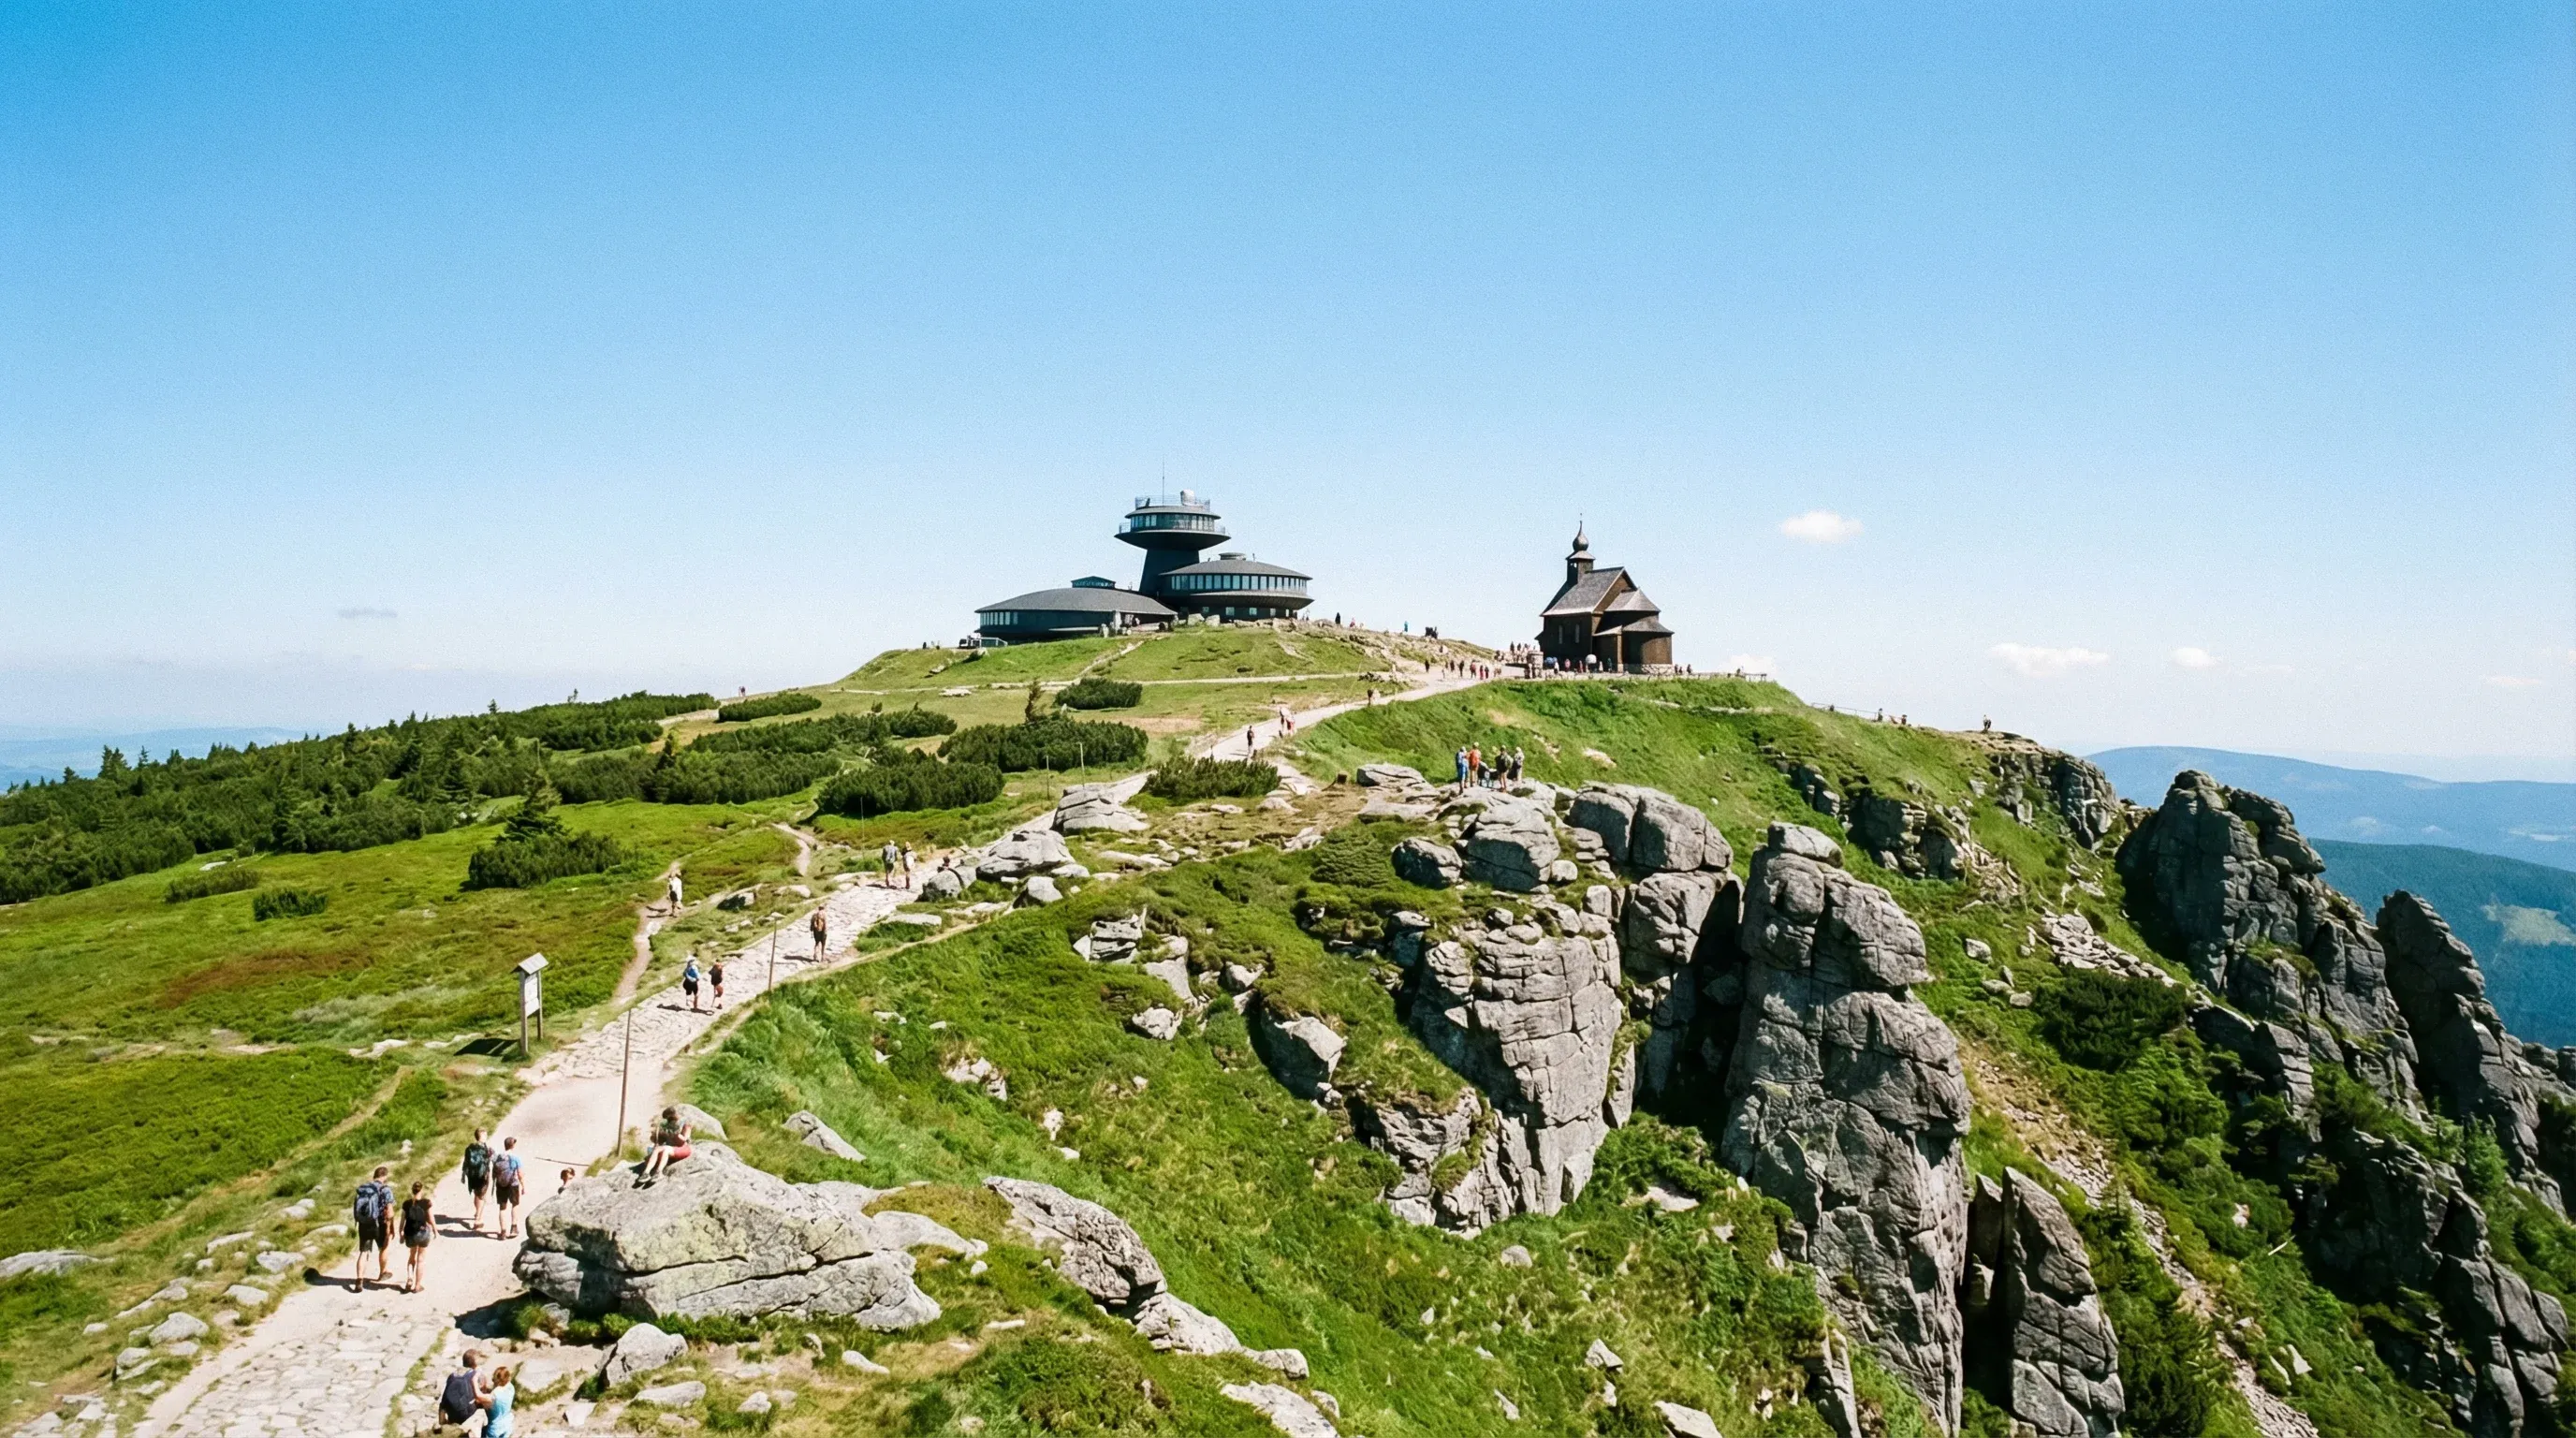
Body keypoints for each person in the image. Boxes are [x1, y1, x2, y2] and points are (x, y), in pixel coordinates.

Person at [349, 1166, 395, 1291]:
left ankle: (359, 1279)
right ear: (385, 1176)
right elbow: (390, 1212)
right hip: (379, 1224)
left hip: (364, 1224)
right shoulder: (385, 1189)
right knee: (383, 1248)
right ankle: (383, 1272)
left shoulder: (363, 1189)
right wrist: (390, 1226)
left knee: (364, 1252)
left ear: (374, 1176)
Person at [640, 1107, 693, 1183]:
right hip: (670, 1148)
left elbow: (685, 1140)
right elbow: (659, 1142)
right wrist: (660, 1135)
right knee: (657, 1149)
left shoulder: (685, 1123)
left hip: (682, 1148)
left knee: (666, 1149)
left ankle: (659, 1172)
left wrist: (676, 1134)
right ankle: (646, 1173)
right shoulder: (667, 1125)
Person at [437, 1351, 487, 1430]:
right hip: (468, 1415)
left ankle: (443, 1424)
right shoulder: (478, 1375)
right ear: (475, 1363)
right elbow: (481, 1398)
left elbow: (444, 1400)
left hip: (452, 1415)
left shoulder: (453, 1375)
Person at [401, 1181, 433, 1292]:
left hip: (410, 1233)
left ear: (412, 1190)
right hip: (423, 1234)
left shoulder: (406, 1204)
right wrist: (436, 1231)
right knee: (421, 1259)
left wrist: (401, 1233)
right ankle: (417, 1286)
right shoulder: (426, 1203)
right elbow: (431, 1219)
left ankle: (410, 1278)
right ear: (422, 1190)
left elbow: (402, 1221)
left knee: (412, 1256)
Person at [461, 1129, 493, 1234]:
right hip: (482, 1176)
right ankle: (478, 1220)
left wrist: (463, 1175)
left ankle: (476, 1213)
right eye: (486, 1134)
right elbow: (489, 1161)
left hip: (472, 1176)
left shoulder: (470, 1148)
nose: (487, 1136)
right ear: (482, 1135)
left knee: (476, 1194)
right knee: (481, 1196)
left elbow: (466, 1162)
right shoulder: (485, 1149)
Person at [493, 1137, 524, 1240]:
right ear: (513, 1145)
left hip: (500, 1185)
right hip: (513, 1184)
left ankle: (503, 1232)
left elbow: (494, 1173)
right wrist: (523, 1185)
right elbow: (520, 1174)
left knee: (502, 1208)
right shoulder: (515, 1158)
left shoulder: (498, 1157)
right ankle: (514, 1228)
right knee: (515, 1205)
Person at [478, 1365, 516, 1438]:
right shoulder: (511, 1387)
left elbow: (479, 1398)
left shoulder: (494, 1394)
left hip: (495, 1428)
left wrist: (474, 1382)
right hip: (508, 1423)